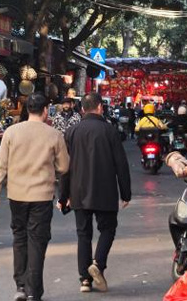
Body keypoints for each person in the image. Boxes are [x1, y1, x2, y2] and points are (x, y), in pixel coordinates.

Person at [0, 93, 70, 301]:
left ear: (26, 109)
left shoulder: (11, 132)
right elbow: (64, 167)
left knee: (20, 238)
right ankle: (34, 290)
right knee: (37, 241)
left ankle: (21, 286)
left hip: (17, 195)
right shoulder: (54, 135)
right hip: (42, 196)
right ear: (45, 111)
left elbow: (1, 165)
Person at [59, 92, 131, 293]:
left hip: (78, 191)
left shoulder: (72, 131)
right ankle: (97, 265)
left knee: (83, 234)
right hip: (105, 190)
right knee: (107, 229)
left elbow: (65, 167)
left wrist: (63, 195)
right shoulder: (109, 131)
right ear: (100, 107)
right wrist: (126, 193)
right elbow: (121, 164)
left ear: (82, 109)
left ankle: (85, 280)